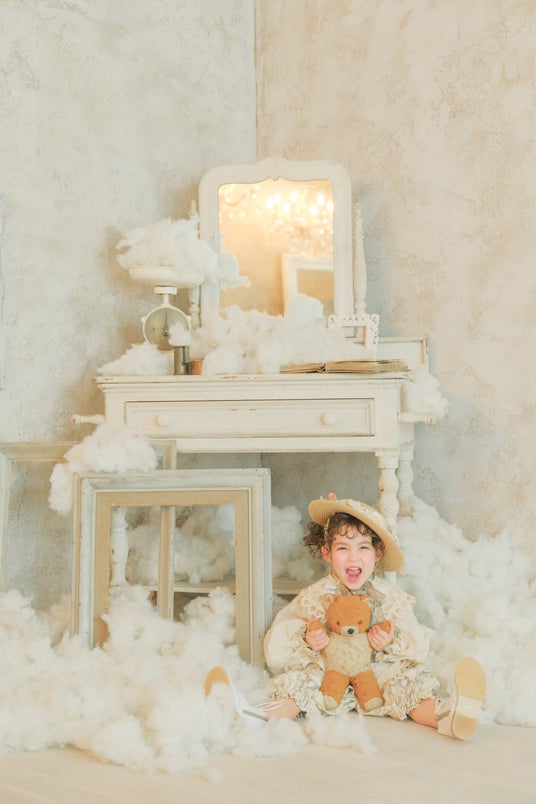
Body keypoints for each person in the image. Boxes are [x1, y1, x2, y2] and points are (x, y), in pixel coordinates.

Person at [206, 495, 486, 739]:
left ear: (377, 553)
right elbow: (280, 641)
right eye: (343, 548)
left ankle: (446, 716)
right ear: (327, 553)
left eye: (363, 547)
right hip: (329, 675)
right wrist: (309, 638)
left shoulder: (389, 597)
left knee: (405, 684)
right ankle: (252, 715)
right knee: (299, 686)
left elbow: (415, 646)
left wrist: (389, 640)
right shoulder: (315, 596)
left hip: (376, 675)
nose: (353, 557)